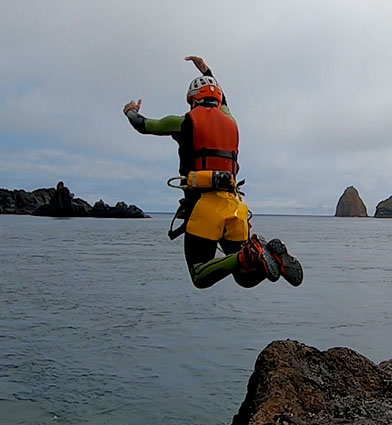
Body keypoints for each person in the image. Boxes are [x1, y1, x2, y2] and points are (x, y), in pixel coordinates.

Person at [123, 55, 302, 289]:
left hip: (204, 207)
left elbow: (144, 125)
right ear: (217, 97)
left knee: (200, 275)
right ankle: (267, 254)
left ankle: (248, 255)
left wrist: (130, 111)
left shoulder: (184, 121)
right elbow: (223, 99)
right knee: (244, 276)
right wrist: (207, 71)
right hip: (235, 207)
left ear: (192, 99)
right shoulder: (231, 120)